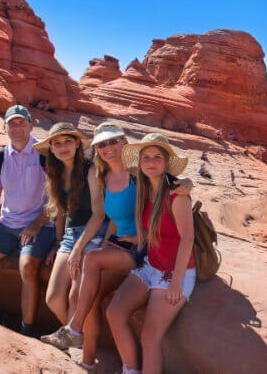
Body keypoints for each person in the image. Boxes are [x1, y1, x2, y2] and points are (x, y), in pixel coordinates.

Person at [40, 124, 193, 370]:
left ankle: (75, 330)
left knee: (90, 267)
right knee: (90, 293)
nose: (108, 148)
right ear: (97, 149)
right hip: (120, 246)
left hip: (141, 252)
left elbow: (165, 183)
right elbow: (107, 217)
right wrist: (106, 243)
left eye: (113, 142)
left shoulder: (138, 174)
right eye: (101, 144)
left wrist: (186, 182)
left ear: (123, 143)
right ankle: (88, 361)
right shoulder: (101, 177)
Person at [107, 133, 196, 374]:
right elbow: (153, 228)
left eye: (157, 157)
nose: (151, 162)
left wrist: (176, 282)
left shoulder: (178, 196)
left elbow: (187, 239)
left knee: (149, 337)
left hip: (173, 272)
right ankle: (130, 370)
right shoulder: (145, 191)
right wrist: (138, 239)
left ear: (166, 162)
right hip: (150, 265)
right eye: (145, 157)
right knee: (114, 313)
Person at [0, 105, 55, 337]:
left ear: (30, 126)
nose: (17, 128)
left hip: (40, 224)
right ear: (4, 127)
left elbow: (58, 197)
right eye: (12, 124)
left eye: (21, 123)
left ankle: (27, 331)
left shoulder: (45, 154)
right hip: (7, 225)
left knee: (27, 268)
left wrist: (37, 223)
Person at [32, 123, 110, 339]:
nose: (62, 147)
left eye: (68, 141)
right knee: (54, 298)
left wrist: (78, 249)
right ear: (52, 149)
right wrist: (58, 243)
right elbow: (60, 211)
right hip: (70, 235)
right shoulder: (55, 174)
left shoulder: (90, 169)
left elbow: (99, 214)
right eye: (56, 144)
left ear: (77, 143)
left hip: (94, 232)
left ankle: (73, 341)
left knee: (76, 292)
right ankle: (75, 336)